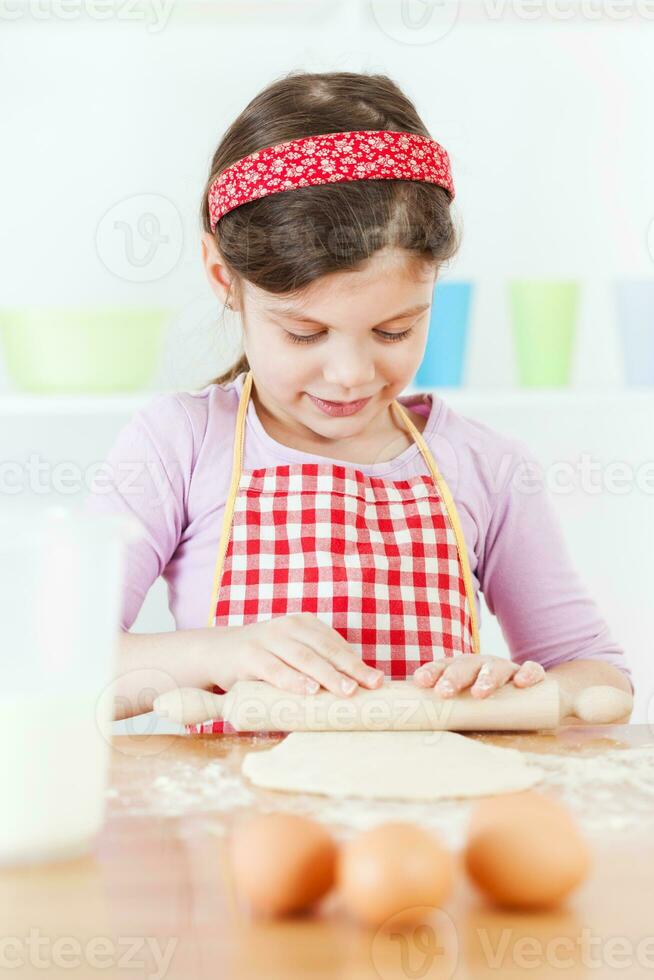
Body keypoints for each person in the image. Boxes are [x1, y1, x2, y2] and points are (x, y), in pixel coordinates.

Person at [84, 71, 633, 733]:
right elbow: (54, 662)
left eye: (394, 330)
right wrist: (216, 652)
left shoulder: (485, 464)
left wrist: (515, 687)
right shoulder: (178, 444)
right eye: (305, 332)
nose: (349, 375)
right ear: (222, 279)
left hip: (426, 829)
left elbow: (597, 674)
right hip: (233, 830)